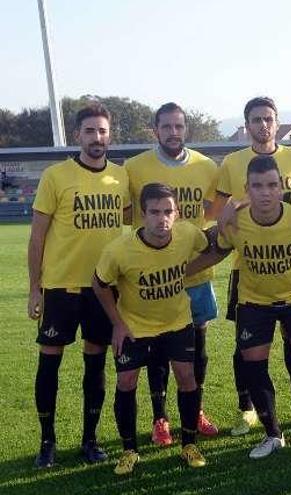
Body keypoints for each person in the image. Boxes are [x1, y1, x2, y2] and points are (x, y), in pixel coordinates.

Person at [189, 156, 291, 458]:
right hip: (254, 302)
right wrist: (181, 272)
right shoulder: (235, 220)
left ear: (281, 187)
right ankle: (273, 434)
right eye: (258, 186)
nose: (266, 192)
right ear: (247, 189)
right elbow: (218, 252)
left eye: (272, 185)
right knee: (253, 365)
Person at [28, 104, 129, 468]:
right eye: (90, 131)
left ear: (109, 135)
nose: (97, 137)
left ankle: (90, 439)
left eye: (102, 131)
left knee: (95, 364)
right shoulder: (56, 176)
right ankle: (47, 441)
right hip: (60, 288)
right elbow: (37, 237)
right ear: (77, 135)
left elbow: (137, 221)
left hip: (102, 288)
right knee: (50, 363)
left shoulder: (121, 178)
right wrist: (34, 288)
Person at [216, 96, 291, 435]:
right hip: (245, 262)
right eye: (256, 119)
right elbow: (222, 210)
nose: (263, 125)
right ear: (246, 125)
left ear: (277, 123)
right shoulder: (233, 161)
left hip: (289, 265)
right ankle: (248, 408)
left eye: (268, 118)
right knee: (246, 348)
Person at [92, 183, 210, 474]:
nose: (162, 218)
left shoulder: (187, 234)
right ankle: (129, 451)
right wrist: (117, 324)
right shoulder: (119, 250)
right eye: (155, 212)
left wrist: (230, 217)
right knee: (126, 382)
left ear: (177, 213)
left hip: (177, 321)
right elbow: (100, 284)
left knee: (187, 377)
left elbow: (213, 246)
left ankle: (189, 444)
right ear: (143, 215)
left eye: (168, 211)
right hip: (135, 327)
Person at [125, 102, 220, 446]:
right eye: (166, 127)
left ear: (186, 129)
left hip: (195, 276)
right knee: (157, 350)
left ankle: (195, 412)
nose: (173, 133)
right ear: (155, 130)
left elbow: (213, 210)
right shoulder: (134, 168)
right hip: (152, 280)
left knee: (198, 345)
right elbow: (124, 215)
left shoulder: (207, 166)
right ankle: (160, 418)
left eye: (179, 126)